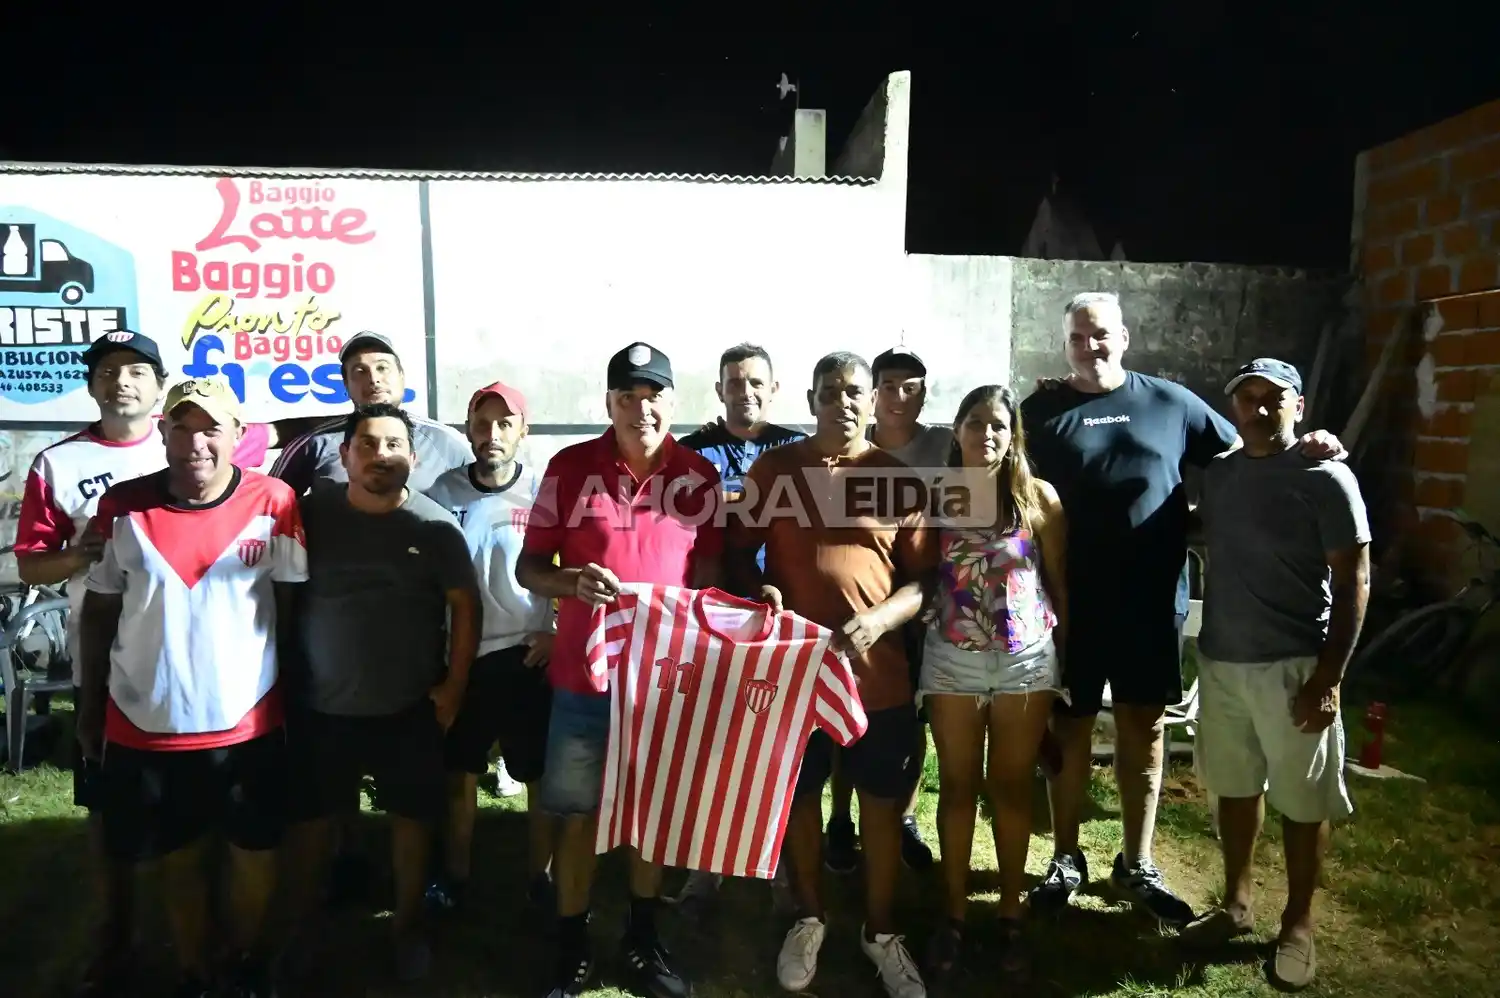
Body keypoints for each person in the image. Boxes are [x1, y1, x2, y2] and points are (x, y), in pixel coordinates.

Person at [1022, 292, 1343, 928]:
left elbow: (1248, 454)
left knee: (1144, 730)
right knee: (1071, 727)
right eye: (1080, 338)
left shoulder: (1169, 402)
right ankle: (1065, 856)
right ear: (1066, 344)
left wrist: (1315, 445)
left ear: (1126, 336)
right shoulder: (1043, 409)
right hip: (1065, 605)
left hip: (1149, 606)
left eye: (1103, 335)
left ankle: (1136, 861)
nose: (1092, 347)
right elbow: (1005, 481)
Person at [13, 333, 278, 996]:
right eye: (107, 371)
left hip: (236, 701)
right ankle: (118, 940)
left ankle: (231, 954)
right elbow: (38, 566)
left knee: (236, 838)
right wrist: (84, 557)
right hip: (124, 677)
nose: (121, 382)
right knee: (123, 829)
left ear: (156, 384)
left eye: (135, 371)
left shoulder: (258, 486)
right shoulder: (63, 464)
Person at [76, 376, 307, 998]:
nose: (195, 441)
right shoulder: (122, 505)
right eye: (181, 426)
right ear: (164, 431)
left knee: (253, 851)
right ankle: (197, 968)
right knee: (175, 854)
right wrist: (89, 705)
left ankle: (247, 962)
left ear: (238, 434)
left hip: (248, 719)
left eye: (211, 427)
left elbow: (287, 609)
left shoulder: (276, 500)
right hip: (147, 721)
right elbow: (99, 612)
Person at [516, 341, 723, 998]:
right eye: (627, 398)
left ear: (672, 400)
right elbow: (530, 568)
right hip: (585, 680)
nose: (642, 409)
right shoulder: (570, 468)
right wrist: (570, 581)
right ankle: (572, 944)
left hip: (666, 684)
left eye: (653, 395)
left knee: (652, 817)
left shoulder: (699, 476)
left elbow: (709, 579)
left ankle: (642, 937)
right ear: (608, 403)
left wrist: (742, 612)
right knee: (576, 815)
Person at [732, 351, 934, 998]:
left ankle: (880, 932)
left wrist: (879, 620)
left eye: (853, 392)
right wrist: (759, 584)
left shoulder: (896, 478)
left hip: (878, 678)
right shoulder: (777, 468)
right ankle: (809, 916)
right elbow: (735, 552)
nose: (841, 402)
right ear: (811, 399)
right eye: (828, 392)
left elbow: (924, 583)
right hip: (796, 675)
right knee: (799, 803)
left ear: (870, 399)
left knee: (880, 806)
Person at [1182, 359, 1370, 990]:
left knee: (1301, 800)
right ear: (1233, 407)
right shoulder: (1222, 475)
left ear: (1299, 406)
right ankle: (1236, 904)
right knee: (1234, 789)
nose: (1259, 410)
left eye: (1274, 399)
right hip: (1223, 662)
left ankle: (1298, 922)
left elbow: (1354, 582)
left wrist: (1330, 677)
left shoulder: (1326, 477)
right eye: (1248, 399)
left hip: (1295, 665)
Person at [282, 403, 480, 984]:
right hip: (321, 706)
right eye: (367, 444)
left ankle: (408, 927)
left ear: (413, 459)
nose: (381, 456)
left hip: (409, 707)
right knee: (311, 822)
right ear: (345, 455)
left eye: (394, 445)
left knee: (412, 821)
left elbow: (465, 608)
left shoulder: (435, 526)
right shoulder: (311, 513)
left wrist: (453, 688)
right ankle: (305, 929)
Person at [918, 385, 1068, 985]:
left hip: (1024, 660)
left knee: (1010, 787)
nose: (986, 434)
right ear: (957, 430)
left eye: (998, 426)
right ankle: (953, 914)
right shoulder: (937, 497)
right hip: (952, 657)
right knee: (956, 788)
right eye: (975, 423)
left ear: (1013, 438)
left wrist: (1069, 658)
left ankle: (1009, 912)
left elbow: (1057, 580)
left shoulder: (1038, 500)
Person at [672, 342, 804, 912]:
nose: (745, 392)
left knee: (780, 747)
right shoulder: (693, 451)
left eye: (756, 383)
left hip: (782, 611)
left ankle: (779, 869)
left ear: (774, 390)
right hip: (713, 615)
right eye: (735, 382)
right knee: (712, 742)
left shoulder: (797, 448)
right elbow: (675, 519)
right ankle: (707, 867)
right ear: (719, 389)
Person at [425, 381, 557, 913]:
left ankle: (540, 879)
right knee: (460, 773)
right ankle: (454, 878)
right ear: (468, 429)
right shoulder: (442, 493)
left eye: (506, 423)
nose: (493, 434)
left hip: (528, 654)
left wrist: (555, 631)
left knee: (535, 775)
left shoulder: (544, 493)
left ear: (523, 430)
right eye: (483, 423)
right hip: (464, 656)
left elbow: (568, 567)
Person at [824, 345, 948, 875]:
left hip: (923, 603)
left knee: (905, 717)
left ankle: (903, 817)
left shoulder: (947, 444)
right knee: (848, 713)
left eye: (911, 385)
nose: (900, 396)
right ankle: (841, 821)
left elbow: (1001, 457)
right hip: (858, 611)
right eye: (889, 385)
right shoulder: (850, 450)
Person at [269, 331, 471, 496]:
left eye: (382, 368)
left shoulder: (445, 442)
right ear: (346, 385)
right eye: (360, 371)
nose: (374, 379)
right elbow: (266, 509)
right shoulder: (313, 444)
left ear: (401, 376)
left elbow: (485, 503)